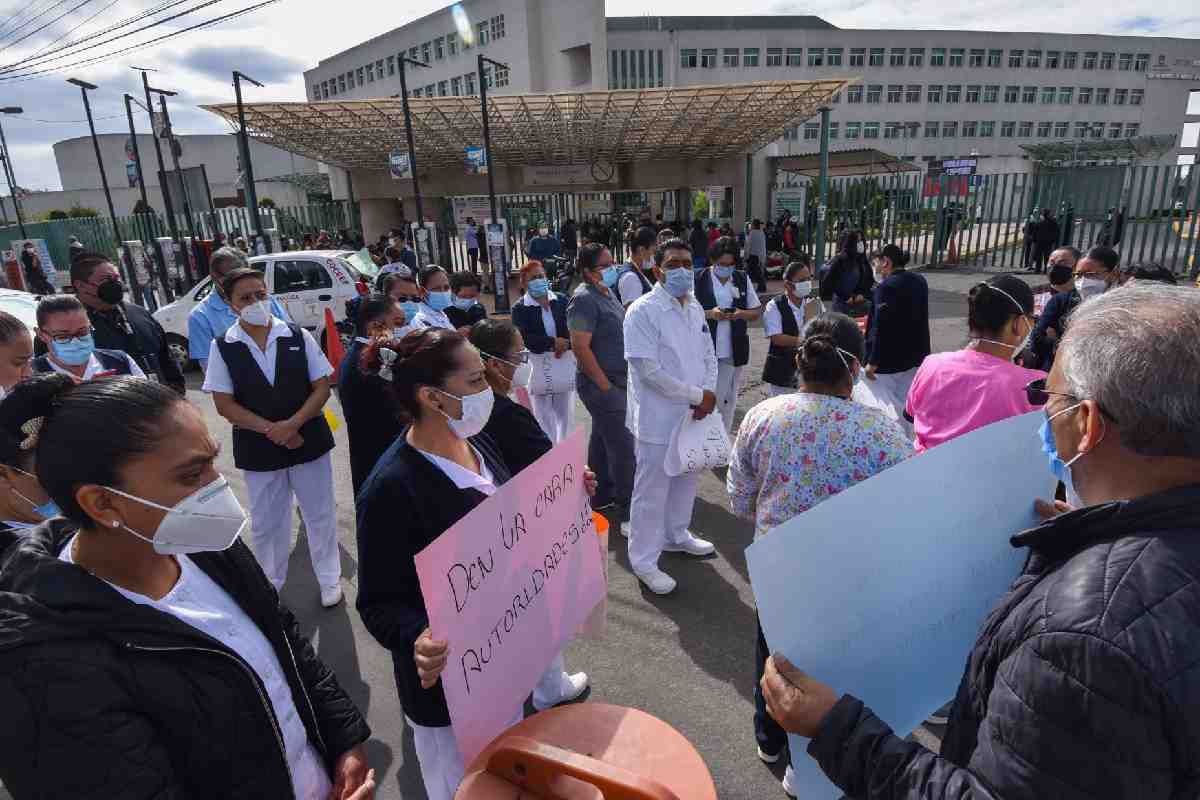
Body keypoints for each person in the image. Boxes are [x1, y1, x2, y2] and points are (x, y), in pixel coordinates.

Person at [760, 282, 1200, 800]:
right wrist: (1090, 538)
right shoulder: (1132, 571)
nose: (1041, 413)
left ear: (1086, 422)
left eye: (1046, 397)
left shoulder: (1080, 639)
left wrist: (837, 730)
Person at [0, 374, 375, 799]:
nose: (217, 487)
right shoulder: (44, 662)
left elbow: (285, 638)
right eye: (192, 474)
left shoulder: (204, 546)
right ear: (102, 503)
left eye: (213, 461)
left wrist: (343, 739)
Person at [728, 312, 911, 796]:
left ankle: (769, 739)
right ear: (855, 368)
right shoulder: (883, 432)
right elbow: (900, 513)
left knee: (771, 654)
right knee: (834, 667)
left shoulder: (763, 417)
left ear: (799, 360)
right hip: (848, 576)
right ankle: (808, 764)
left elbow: (740, 498)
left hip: (776, 569)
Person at [353, 328, 520, 800]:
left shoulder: (478, 443)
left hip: (504, 658)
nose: (491, 387)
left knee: (509, 776)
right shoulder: (391, 489)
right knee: (463, 789)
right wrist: (418, 637)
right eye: (476, 380)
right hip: (448, 694)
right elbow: (378, 603)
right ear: (432, 397)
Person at [202, 267, 342, 607]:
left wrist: (293, 424)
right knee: (268, 522)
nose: (255, 302)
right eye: (245, 298)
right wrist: (273, 430)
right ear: (230, 304)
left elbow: (321, 387)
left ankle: (329, 579)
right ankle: (271, 585)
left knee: (320, 515)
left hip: (308, 440)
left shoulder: (297, 336)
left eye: (260, 294)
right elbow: (224, 404)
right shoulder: (223, 346)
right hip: (259, 448)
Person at [623, 238, 717, 595]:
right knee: (652, 490)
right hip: (657, 418)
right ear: (657, 269)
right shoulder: (642, 311)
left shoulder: (694, 306)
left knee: (686, 476)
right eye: (673, 264)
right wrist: (697, 395)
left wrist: (707, 393)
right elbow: (649, 371)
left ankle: (676, 535)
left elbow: (708, 354)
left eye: (687, 263)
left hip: (693, 412)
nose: (682, 270)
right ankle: (644, 560)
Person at [906, 277, 1045, 453]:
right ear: (1019, 324)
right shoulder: (1035, 387)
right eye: (1033, 319)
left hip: (924, 468)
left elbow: (911, 416)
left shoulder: (932, 364)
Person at [568, 243, 636, 525]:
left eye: (613, 263)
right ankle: (629, 510)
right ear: (587, 271)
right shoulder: (584, 299)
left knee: (601, 438)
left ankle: (599, 497)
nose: (612, 269)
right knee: (624, 448)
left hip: (616, 381)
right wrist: (604, 385)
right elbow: (580, 347)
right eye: (604, 266)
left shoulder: (607, 292)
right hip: (601, 384)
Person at [70, 252, 186, 393]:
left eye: (116, 278)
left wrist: (176, 393)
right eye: (105, 279)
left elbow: (167, 361)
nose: (114, 284)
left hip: (157, 401)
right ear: (81, 285)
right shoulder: (67, 328)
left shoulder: (140, 314)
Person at [340, 293, 406, 496]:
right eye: (398, 323)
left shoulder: (360, 354)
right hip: (379, 461)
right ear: (375, 326)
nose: (402, 328)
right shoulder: (369, 361)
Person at [696, 236, 761, 433]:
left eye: (729, 264)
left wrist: (740, 314)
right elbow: (685, 312)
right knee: (706, 397)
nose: (725, 268)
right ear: (712, 260)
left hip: (732, 348)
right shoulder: (698, 278)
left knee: (728, 398)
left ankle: (722, 439)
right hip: (704, 348)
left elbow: (756, 311)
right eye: (721, 264)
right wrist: (711, 314)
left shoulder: (741, 278)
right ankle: (703, 437)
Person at [188, 246, 289, 371]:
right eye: (232, 278)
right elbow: (210, 367)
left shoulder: (266, 300)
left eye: (244, 276)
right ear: (214, 278)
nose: (241, 284)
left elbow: (289, 335)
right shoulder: (200, 316)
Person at [862, 244, 929, 425]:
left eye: (875, 263)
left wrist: (872, 362)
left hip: (887, 363)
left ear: (886, 262)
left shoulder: (886, 287)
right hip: (914, 358)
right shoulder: (919, 281)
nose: (875, 268)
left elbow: (881, 327)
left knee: (885, 410)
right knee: (907, 408)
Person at [512, 260, 575, 443]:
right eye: (533, 278)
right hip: (538, 367)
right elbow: (523, 338)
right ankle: (549, 451)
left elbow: (574, 328)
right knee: (543, 416)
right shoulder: (520, 308)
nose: (539, 280)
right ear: (524, 283)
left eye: (541, 276)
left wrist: (566, 344)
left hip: (563, 362)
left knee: (565, 415)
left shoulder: (561, 300)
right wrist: (552, 343)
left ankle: (566, 452)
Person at [33, 295, 146, 381]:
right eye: (62, 336)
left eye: (82, 332)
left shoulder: (120, 361)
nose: (75, 342)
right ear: (41, 335)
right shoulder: (32, 375)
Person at [761, 258, 825, 397]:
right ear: (788, 285)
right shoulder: (775, 305)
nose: (807, 283)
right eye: (802, 280)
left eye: (809, 278)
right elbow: (777, 338)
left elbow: (825, 331)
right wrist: (806, 338)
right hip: (783, 372)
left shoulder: (815, 304)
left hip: (810, 373)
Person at [820, 231, 871, 314]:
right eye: (858, 241)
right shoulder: (841, 260)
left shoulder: (861, 260)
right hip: (840, 302)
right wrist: (845, 297)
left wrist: (861, 294)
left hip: (855, 301)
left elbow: (865, 282)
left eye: (862, 241)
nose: (860, 243)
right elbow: (828, 283)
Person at [616, 225, 657, 307]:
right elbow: (633, 311)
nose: (654, 255)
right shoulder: (630, 278)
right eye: (653, 250)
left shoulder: (637, 270)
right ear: (641, 250)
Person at [411, 265, 457, 331]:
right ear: (422, 291)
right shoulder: (420, 321)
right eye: (436, 289)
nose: (443, 292)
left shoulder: (440, 313)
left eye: (446, 287)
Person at [1028, 208, 1059, 274]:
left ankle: (1037, 269)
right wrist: (1053, 240)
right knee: (1047, 256)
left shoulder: (1039, 223)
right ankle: (1046, 269)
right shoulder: (1053, 223)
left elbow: (1034, 233)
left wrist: (1034, 240)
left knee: (1039, 256)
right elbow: (1056, 233)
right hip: (1048, 242)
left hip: (1039, 242)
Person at [745, 219, 768, 293]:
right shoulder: (762, 233)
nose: (751, 225)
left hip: (753, 255)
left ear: (754, 225)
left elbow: (748, 245)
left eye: (752, 224)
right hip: (761, 255)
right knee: (757, 271)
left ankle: (761, 286)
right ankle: (760, 286)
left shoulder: (752, 233)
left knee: (753, 272)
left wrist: (746, 256)